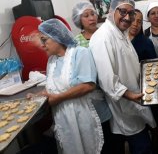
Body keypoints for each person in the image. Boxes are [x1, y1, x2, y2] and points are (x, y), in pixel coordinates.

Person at [89, 0, 156, 154]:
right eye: (123, 12)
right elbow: (107, 80)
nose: (127, 17)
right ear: (112, 11)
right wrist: (131, 95)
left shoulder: (121, 33)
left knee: (140, 141)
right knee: (141, 145)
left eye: (131, 13)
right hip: (124, 105)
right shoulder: (103, 38)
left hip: (135, 99)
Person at [27, 19, 104, 154]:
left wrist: (59, 98)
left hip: (80, 114)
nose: (42, 45)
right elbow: (52, 87)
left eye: (44, 40)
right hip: (62, 118)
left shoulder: (80, 53)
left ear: (57, 37)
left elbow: (88, 85)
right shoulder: (52, 60)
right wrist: (37, 96)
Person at [72, 2, 113, 154]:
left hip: (110, 85)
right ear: (79, 20)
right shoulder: (75, 43)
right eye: (86, 15)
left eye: (93, 14)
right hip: (93, 92)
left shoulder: (105, 35)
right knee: (100, 128)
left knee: (115, 128)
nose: (91, 18)